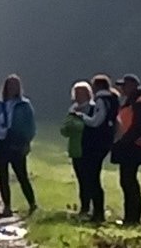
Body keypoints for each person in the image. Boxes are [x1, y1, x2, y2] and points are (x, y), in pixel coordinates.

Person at [0, 74, 37, 218]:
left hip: (16, 143)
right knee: (3, 177)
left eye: (16, 85)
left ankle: (32, 204)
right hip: (1, 143)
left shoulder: (24, 105)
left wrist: (26, 141)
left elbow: (30, 126)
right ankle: (7, 207)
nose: (13, 88)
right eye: (10, 85)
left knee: (22, 175)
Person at [76, 74, 119, 223]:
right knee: (94, 177)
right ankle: (96, 211)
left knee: (92, 178)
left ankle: (98, 213)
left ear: (96, 87)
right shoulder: (113, 100)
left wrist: (81, 116)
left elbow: (96, 121)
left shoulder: (101, 101)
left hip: (96, 144)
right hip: (105, 142)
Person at [111, 73, 141, 225]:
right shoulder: (133, 101)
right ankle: (130, 216)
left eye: (124, 85)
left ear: (132, 86)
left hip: (132, 148)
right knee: (127, 181)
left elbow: (138, 126)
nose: (121, 89)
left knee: (129, 181)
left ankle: (133, 217)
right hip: (129, 147)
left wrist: (123, 141)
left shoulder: (139, 103)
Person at [61, 81, 93, 217]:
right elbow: (64, 129)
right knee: (81, 179)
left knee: (89, 179)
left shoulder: (92, 109)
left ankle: (91, 208)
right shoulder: (72, 110)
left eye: (82, 93)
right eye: (77, 93)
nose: (79, 96)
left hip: (88, 148)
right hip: (75, 149)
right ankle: (84, 207)